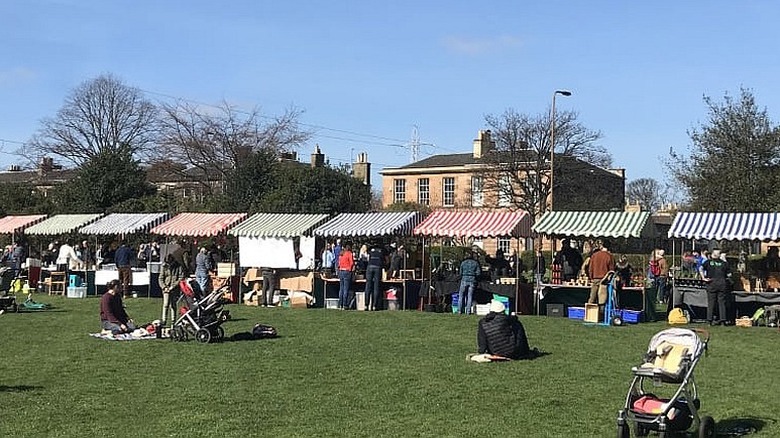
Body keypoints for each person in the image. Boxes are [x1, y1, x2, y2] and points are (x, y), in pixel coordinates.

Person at [700, 248, 732, 326]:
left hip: (711, 283)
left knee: (711, 303)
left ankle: (709, 321)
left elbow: (700, 268)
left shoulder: (708, 262)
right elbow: (729, 274)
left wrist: (703, 277)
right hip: (722, 284)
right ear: (719, 255)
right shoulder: (724, 264)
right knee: (722, 303)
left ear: (712, 254)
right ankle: (723, 321)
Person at [587, 240, 615, 305]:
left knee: (592, 298)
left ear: (602, 246)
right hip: (605, 280)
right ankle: (601, 314)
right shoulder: (610, 256)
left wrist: (591, 277)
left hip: (595, 278)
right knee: (602, 299)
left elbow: (590, 268)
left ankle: (589, 313)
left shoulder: (594, 255)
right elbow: (612, 270)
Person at [159, 254, 185, 325]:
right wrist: (164, 287)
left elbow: (181, 277)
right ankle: (164, 320)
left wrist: (173, 286)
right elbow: (161, 278)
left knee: (173, 304)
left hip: (174, 288)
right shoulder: (164, 267)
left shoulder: (178, 266)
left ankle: (173, 320)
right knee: (166, 304)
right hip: (166, 288)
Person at [364, 242, 386, 311]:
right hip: (378, 267)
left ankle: (366, 305)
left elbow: (366, 258)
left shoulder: (370, 249)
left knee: (368, 286)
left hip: (370, 266)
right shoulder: (383, 249)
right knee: (376, 286)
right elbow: (386, 260)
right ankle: (374, 306)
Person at [337, 243, 355, 310]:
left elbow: (339, 264)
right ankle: (345, 304)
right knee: (346, 289)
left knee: (341, 289)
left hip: (341, 271)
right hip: (347, 271)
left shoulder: (341, 253)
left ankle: (340, 304)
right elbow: (352, 263)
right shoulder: (349, 253)